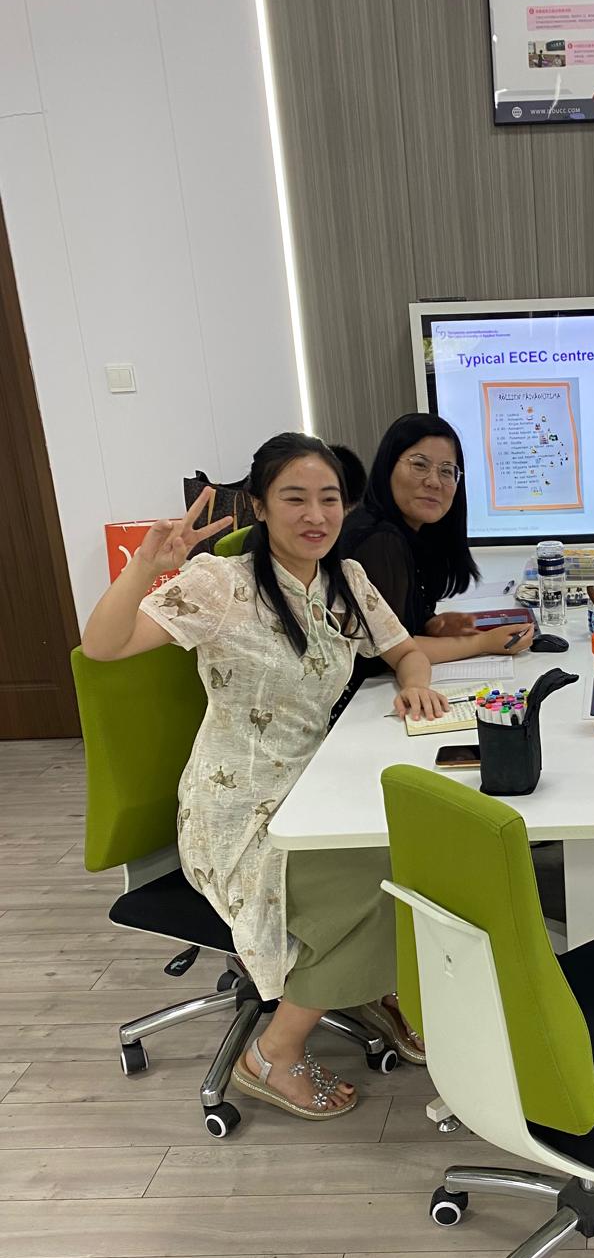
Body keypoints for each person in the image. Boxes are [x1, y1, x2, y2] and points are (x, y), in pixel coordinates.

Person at [81, 432, 446, 1117]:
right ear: (259, 505)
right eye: (295, 498)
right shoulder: (220, 584)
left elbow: (406, 649)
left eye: (329, 499)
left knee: (417, 858)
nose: (316, 514)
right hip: (237, 811)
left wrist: (415, 682)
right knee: (376, 886)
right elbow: (103, 647)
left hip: (315, 789)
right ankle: (271, 1054)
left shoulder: (347, 581)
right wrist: (144, 568)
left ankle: (362, 986)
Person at [339, 413, 534, 665]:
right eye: (419, 465)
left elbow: (396, 624)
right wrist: (483, 642)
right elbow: (388, 651)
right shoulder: (379, 540)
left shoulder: (413, 531)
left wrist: (431, 625)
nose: (433, 482)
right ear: (388, 466)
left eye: (446, 471)